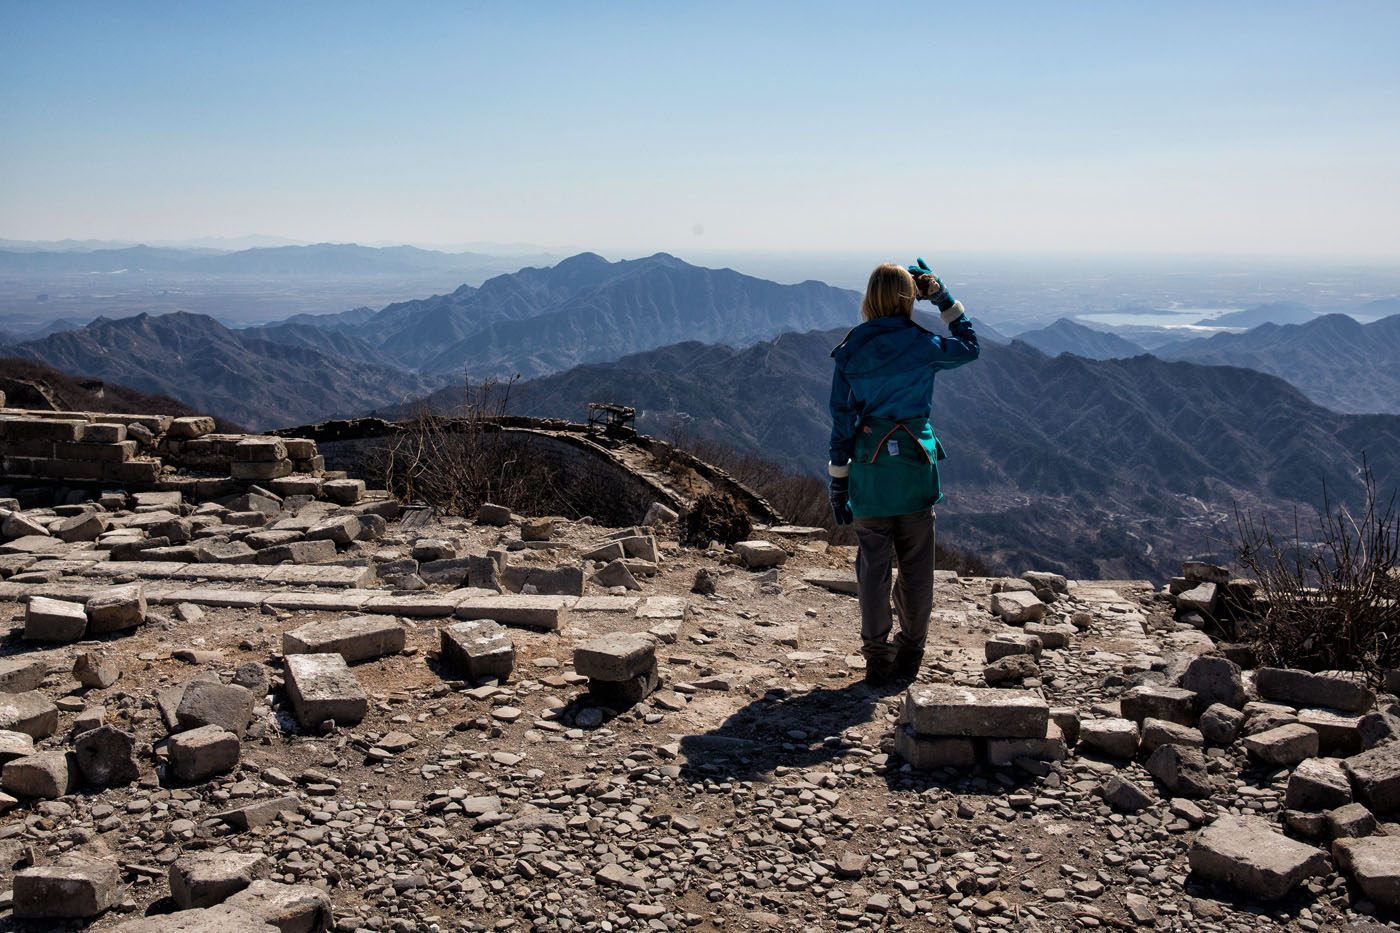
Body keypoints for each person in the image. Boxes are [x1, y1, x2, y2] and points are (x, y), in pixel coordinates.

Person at [827, 259, 980, 686]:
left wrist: (839, 483)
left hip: (871, 473)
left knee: (873, 568)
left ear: (870, 298)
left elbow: (841, 423)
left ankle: (876, 655)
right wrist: (943, 298)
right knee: (916, 567)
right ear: (910, 297)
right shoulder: (923, 345)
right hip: (916, 466)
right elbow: (970, 346)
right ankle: (911, 651)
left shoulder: (851, 351)